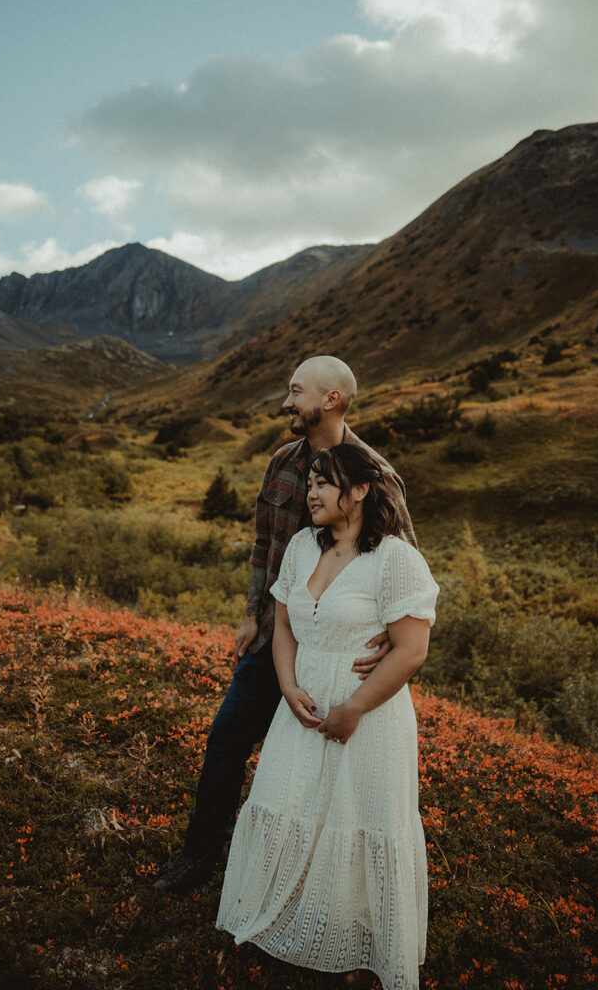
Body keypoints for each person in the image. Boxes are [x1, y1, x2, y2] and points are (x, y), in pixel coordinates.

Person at [155, 356, 416, 894]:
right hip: (277, 637)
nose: (285, 402)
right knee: (227, 739)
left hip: (340, 654)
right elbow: (262, 546)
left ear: (331, 400)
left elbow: (403, 561)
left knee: (323, 769)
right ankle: (200, 856)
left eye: (295, 392)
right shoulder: (281, 462)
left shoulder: (376, 474)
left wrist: (391, 637)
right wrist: (254, 611)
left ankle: (314, 878)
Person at [216, 443, 439, 990]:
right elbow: (285, 625)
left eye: (324, 483)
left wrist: (354, 709)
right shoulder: (299, 547)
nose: (311, 492)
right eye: (311, 482)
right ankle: (288, 917)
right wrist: (288, 686)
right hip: (303, 706)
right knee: (289, 801)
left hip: (369, 716)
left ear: (360, 490)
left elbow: (412, 650)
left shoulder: (394, 558)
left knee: (357, 818)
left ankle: (359, 943)